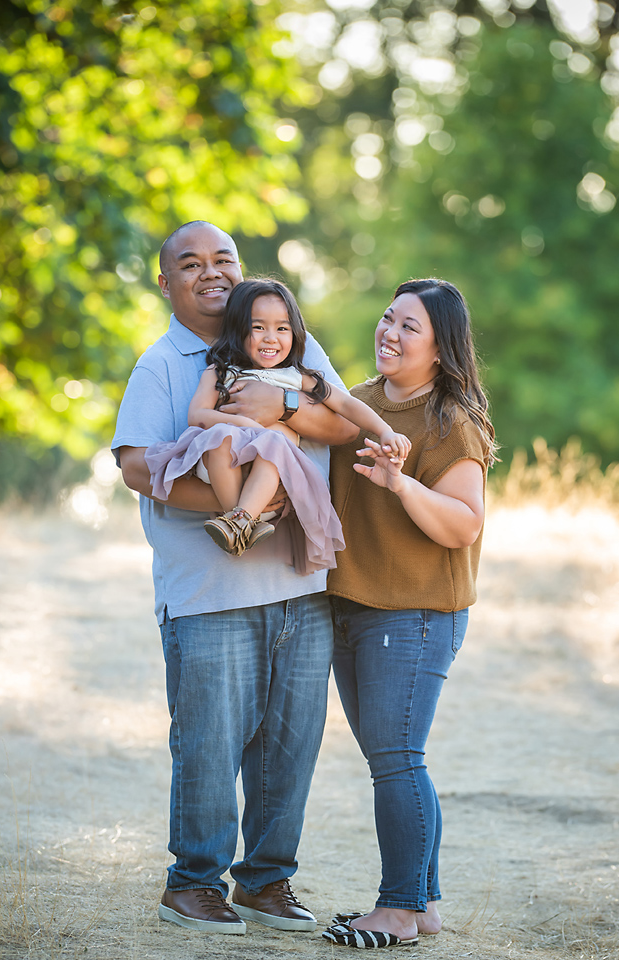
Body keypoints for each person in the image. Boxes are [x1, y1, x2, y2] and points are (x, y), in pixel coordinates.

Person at [112, 220, 358, 937]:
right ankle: (191, 884)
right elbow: (134, 466)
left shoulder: (288, 339)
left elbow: (341, 425)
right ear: (166, 284)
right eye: (189, 264)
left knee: (290, 743)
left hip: (300, 588)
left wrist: (281, 405)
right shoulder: (163, 363)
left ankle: (266, 882)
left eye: (222, 258)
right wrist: (244, 508)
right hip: (209, 594)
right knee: (210, 744)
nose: (210, 272)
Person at [323, 278, 497, 949]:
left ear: (439, 346)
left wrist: (400, 483)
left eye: (408, 327)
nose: (389, 334)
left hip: (416, 613)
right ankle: (421, 905)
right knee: (391, 759)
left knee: (396, 758)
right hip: (350, 606)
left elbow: (461, 525)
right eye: (387, 319)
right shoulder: (359, 404)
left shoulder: (450, 421)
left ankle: (396, 911)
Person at [145, 277, 409, 570]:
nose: (271, 338)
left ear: (295, 334)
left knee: (277, 437)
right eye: (258, 327)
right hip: (222, 468)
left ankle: (242, 521)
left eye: (282, 328)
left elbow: (346, 405)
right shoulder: (220, 372)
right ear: (237, 328)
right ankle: (241, 518)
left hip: (269, 475)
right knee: (221, 435)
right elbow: (197, 416)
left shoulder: (298, 377)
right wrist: (245, 424)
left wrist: (385, 430)